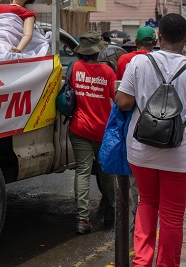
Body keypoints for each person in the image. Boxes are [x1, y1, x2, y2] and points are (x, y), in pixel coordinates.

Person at [116, 14, 186, 267]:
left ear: (159, 36)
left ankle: (142, 262)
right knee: (172, 216)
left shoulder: (139, 63)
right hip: (180, 154)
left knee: (146, 202)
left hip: (141, 148)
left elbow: (123, 102)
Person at [67, 31, 117, 234]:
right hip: (102, 130)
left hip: (79, 128)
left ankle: (82, 219)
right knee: (106, 173)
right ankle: (111, 211)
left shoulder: (75, 67)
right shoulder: (108, 72)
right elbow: (117, 99)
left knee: (82, 171)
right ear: (98, 52)